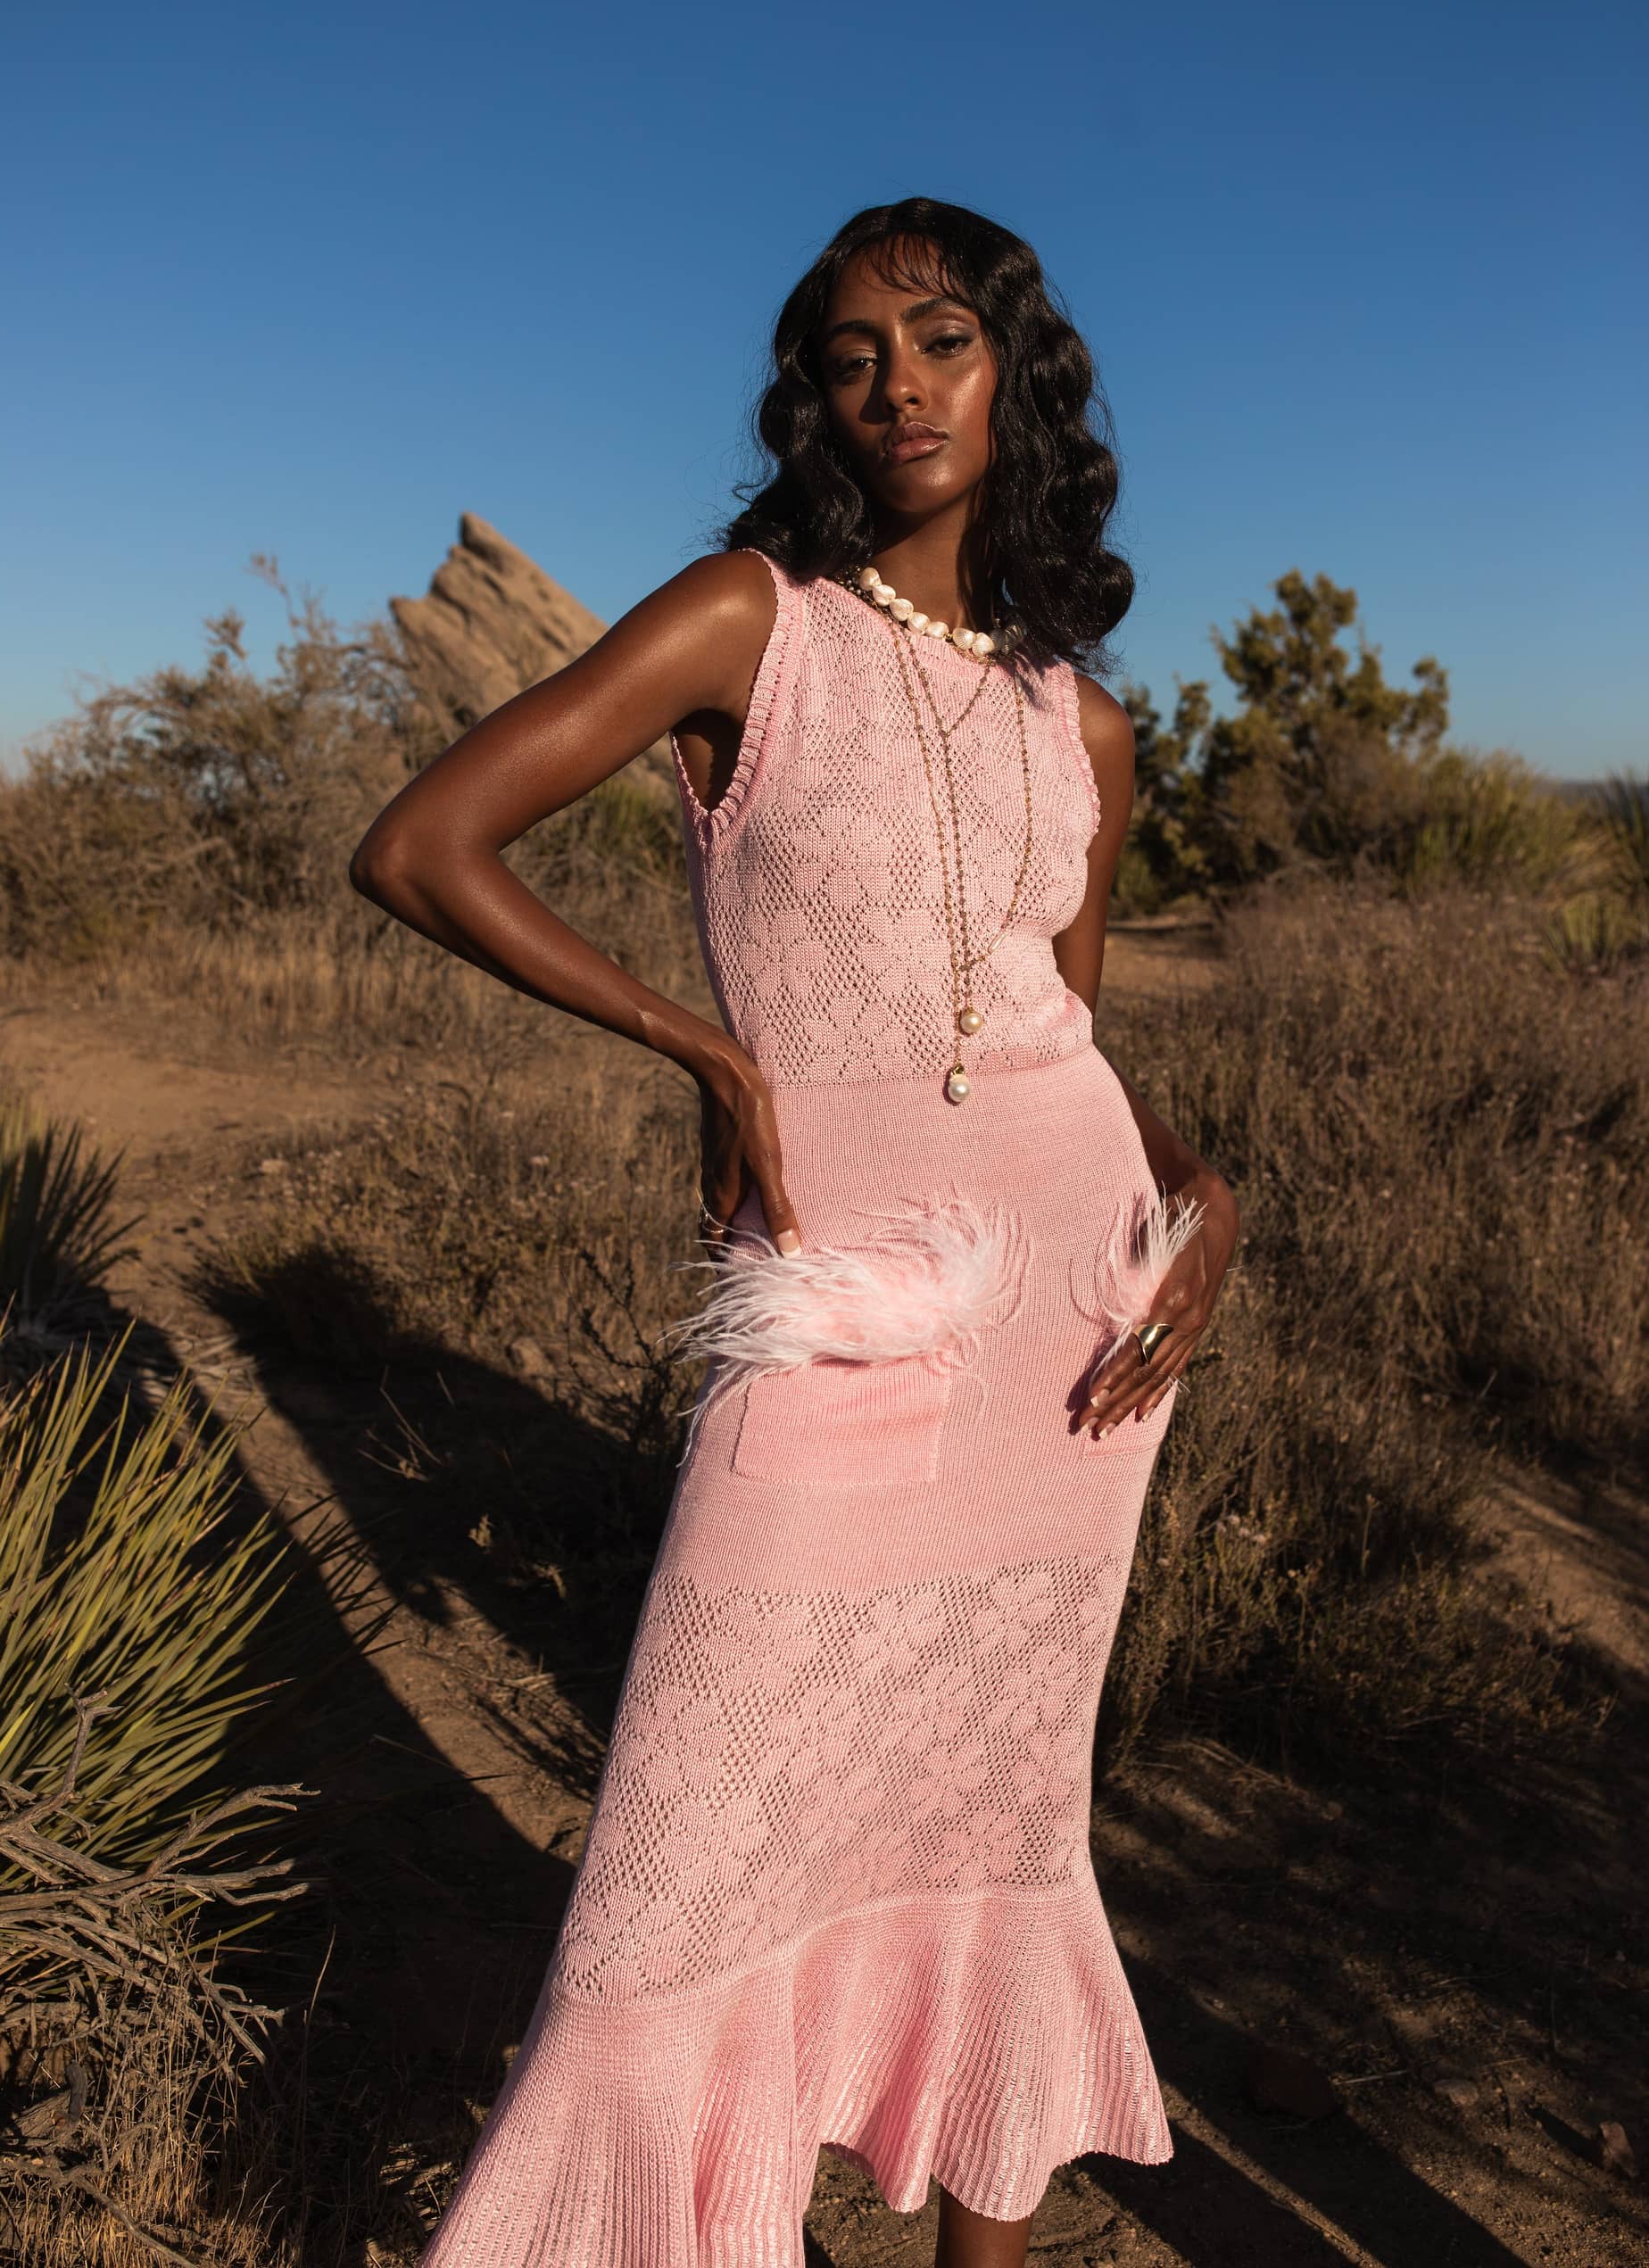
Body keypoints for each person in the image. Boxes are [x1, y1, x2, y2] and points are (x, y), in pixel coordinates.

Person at [351, 196, 1239, 2268]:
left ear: (1017, 377)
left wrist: (1206, 1189)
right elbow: (423, 845)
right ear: (814, 403)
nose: (898, 387)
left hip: (1074, 1336)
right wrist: (705, 1050)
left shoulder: (1083, 723)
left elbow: (1065, 1026)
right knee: (678, 1865)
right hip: (844, 1316)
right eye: (853, 358)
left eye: (941, 342)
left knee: (999, 1818)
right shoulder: (749, 622)